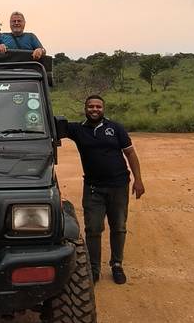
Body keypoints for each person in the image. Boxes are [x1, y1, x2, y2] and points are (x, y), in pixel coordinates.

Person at [57, 95, 145, 285]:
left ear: (103, 109)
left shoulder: (116, 128)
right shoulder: (77, 129)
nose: (94, 109)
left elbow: (130, 153)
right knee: (93, 229)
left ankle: (116, 265)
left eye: (98, 106)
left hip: (119, 186)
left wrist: (138, 180)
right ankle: (93, 268)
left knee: (119, 227)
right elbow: (51, 125)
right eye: (91, 106)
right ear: (85, 109)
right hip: (93, 188)